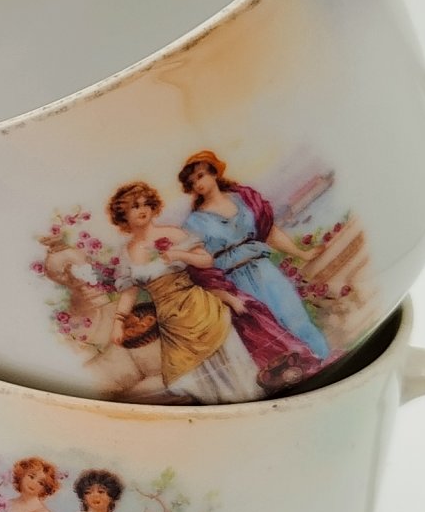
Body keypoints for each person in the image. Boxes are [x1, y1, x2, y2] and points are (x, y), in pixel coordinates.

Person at [106, 182, 260, 403]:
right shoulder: (127, 252)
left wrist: (179, 255)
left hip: (199, 308)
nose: (142, 209)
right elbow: (129, 292)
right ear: (123, 216)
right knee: (191, 377)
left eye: (146, 204)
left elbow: (206, 260)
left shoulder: (172, 234)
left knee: (232, 365)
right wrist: (118, 322)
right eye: (134, 206)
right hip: (171, 321)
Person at [177, 151, 330, 363]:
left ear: (214, 173)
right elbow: (201, 270)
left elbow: (269, 232)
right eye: (192, 182)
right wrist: (229, 297)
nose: (198, 184)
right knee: (272, 335)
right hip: (235, 282)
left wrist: (302, 253)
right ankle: (303, 369)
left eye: (201, 176)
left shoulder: (244, 199)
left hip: (265, 270)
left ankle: (324, 360)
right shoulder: (193, 223)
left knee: (296, 317)